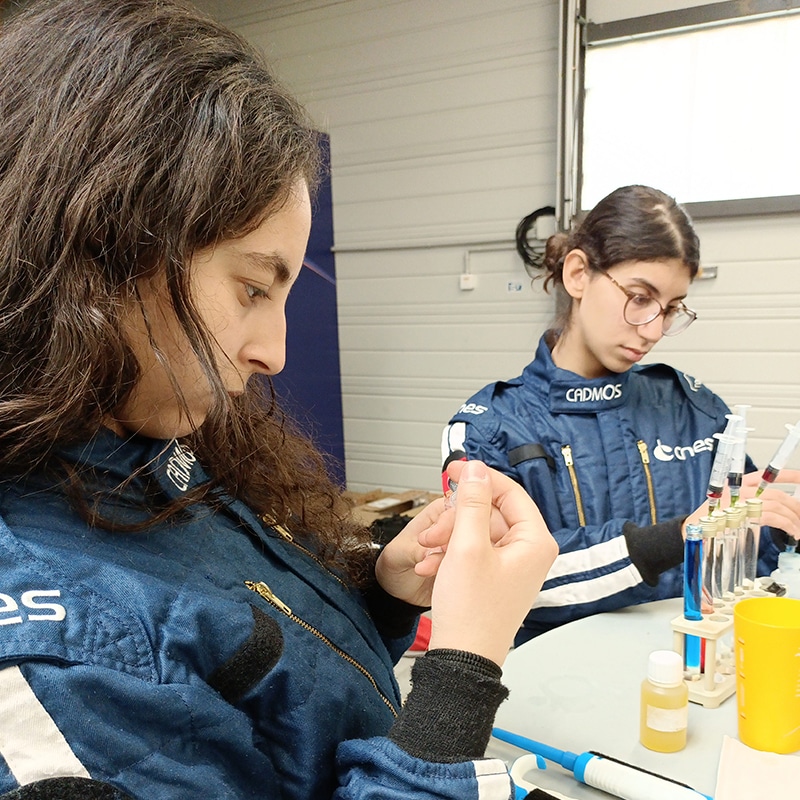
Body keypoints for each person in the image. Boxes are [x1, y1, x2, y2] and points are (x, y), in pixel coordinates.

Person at [0, 2, 558, 798]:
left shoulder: (135, 440)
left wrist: (381, 588)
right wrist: (461, 674)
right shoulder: (45, 664)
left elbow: (255, 662)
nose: (275, 351)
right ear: (99, 249)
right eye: (253, 288)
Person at [442, 184, 800, 644]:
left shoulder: (695, 408)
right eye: (639, 298)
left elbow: (746, 555)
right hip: (552, 685)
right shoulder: (489, 428)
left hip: (690, 675)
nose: (653, 329)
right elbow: (495, 583)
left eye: (671, 309)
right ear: (577, 273)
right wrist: (678, 537)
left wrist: (778, 528)